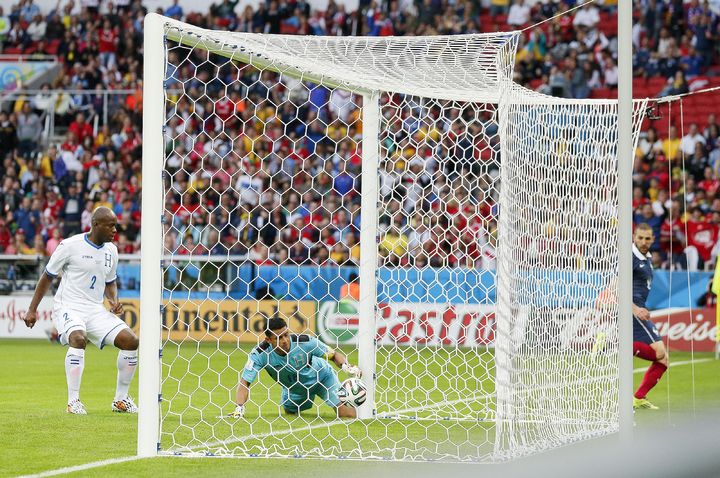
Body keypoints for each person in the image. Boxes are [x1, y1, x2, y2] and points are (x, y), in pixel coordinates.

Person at [23, 207, 139, 415]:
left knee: (131, 341)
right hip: (68, 306)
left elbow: (110, 281)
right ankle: (73, 401)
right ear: (95, 224)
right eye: (110, 226)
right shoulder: (69, 245)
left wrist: (113, 301)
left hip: (95, 309)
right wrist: (32, 309)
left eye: (115, 226)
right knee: (78, 338)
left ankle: (121, 399)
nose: (115, 230)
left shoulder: (112, 251)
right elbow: (47, 276)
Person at [230, 317, 362, 419]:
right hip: (295, 389)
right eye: (278, 338)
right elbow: (245, 382)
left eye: (286, 334)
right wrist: (239, 408)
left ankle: (365, 410)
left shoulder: (305, 341)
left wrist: (346, 366)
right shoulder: (259, 354)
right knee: (289, 413)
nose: (285, 340)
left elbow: (333, 355)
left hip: (322, 378)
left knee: (347, 415)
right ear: (268, 340)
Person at [632, 223, 668, 410]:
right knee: (661, 354)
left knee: (663, 359)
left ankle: (639, 397)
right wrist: (635, 309)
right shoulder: (629, 257)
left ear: (653, 239)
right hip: (633, 311)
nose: (643, 242)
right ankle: (618, 344)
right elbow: (616, 287)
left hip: (640, 309)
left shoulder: (647, 257)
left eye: (647, 238)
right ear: (634, 237)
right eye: (640, 238)